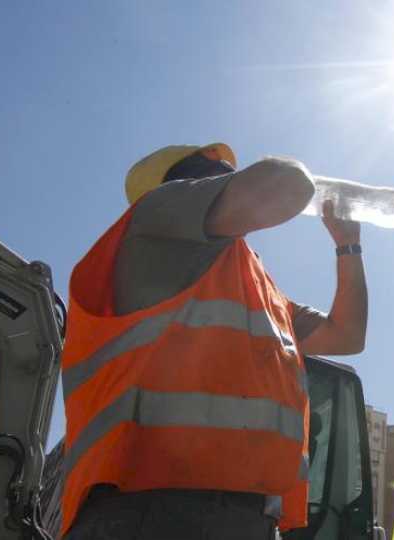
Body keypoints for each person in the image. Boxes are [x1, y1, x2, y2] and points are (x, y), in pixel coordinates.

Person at [60, 143, 368, 539]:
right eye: (214, 169)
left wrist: (348, 245)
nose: (226, 175)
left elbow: (347, 335)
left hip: (244, 518)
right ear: (179, 188)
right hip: (149, 511)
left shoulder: (261, 291)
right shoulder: (153, 221)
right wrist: (312, 186)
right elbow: (285, 185)